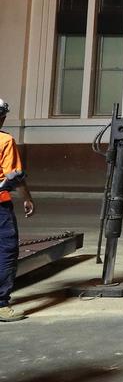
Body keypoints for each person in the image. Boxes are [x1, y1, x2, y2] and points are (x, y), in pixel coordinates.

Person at [0, 98, 34, 322]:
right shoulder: (5, 140)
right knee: (6, 250)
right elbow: (14, 175)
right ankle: (1, 304)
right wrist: (28, 198)